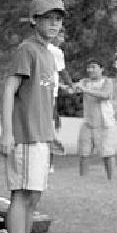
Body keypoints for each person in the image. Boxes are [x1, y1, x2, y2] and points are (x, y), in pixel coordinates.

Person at [0, 0, 64, 233]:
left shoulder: (48, 54)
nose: (54, 24)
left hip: (41, 136)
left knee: (34, 196)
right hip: (24, 136)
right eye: (48, 18)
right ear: (34, 20)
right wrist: (7, 132)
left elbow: (44, 100)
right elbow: (8, 90)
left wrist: (51, 133)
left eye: (58, 19)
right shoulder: (27, 50)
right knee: (21, 196)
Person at [74, 58, 116, 180]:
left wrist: (85, 90)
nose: (90, 70)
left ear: (101, 69)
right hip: (88, 122)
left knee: (107, 153)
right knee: (84, 153)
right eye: (88, 67)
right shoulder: (85, 81)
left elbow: (105, 95)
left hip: (105, 123)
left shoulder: (107, 81)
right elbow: (73, 88)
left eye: (93, 67)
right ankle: (83, 179)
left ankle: (111, 179)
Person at [47, 31, 72, 174]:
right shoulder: (55, 51)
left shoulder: (43, 48)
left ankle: (48, 163)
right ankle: (49, 164)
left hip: (50, 93)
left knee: (53, 125)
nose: (61, 39)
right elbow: (62, 71)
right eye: (60, 36)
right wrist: (71, 85)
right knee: (52, 128)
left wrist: (64, 86)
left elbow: (54, 75)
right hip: (49, 96)